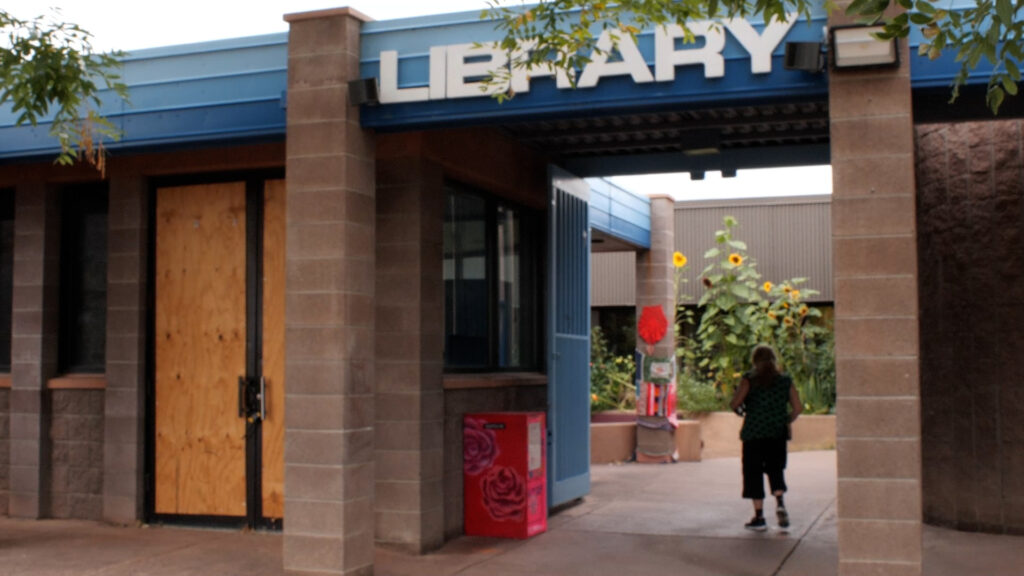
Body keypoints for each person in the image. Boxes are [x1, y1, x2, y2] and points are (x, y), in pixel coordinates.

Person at [730, 344, 802, 531]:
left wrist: (739, 407)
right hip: (777, 433)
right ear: (774, 359)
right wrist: (785, 419)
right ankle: (780, 503)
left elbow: (735, 403)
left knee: (753, 472)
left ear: (754, 361)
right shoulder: (785, 380)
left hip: (754, 433)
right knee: (776, 469)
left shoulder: (749, 379)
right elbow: (797, 408)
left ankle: (759, 516)